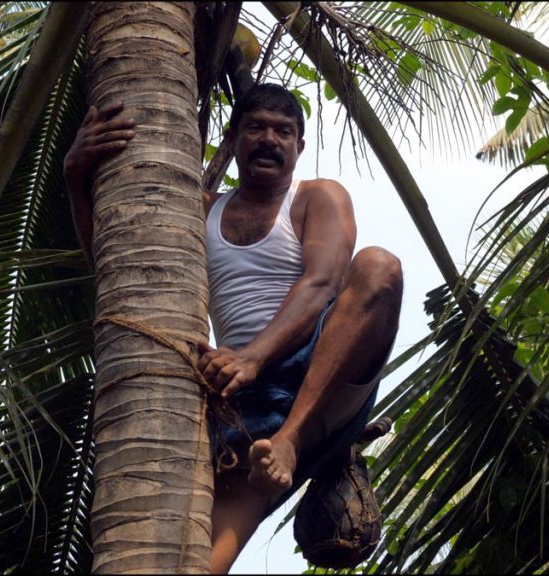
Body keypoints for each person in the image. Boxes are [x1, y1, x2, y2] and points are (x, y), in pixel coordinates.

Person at [64, 83, 402, 574]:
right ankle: (278, 446)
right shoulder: (203, 209)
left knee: (378, 267)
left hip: (320, 380)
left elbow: (322, 283)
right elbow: (121, 268)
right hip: (245, 411)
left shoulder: (315, 198)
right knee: (192, 565)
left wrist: (254, 357)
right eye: (256, 128)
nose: (270, 139)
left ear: (299, 146)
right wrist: (76, 178)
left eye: (284, 131)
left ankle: (291, 439)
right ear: (233, 140)